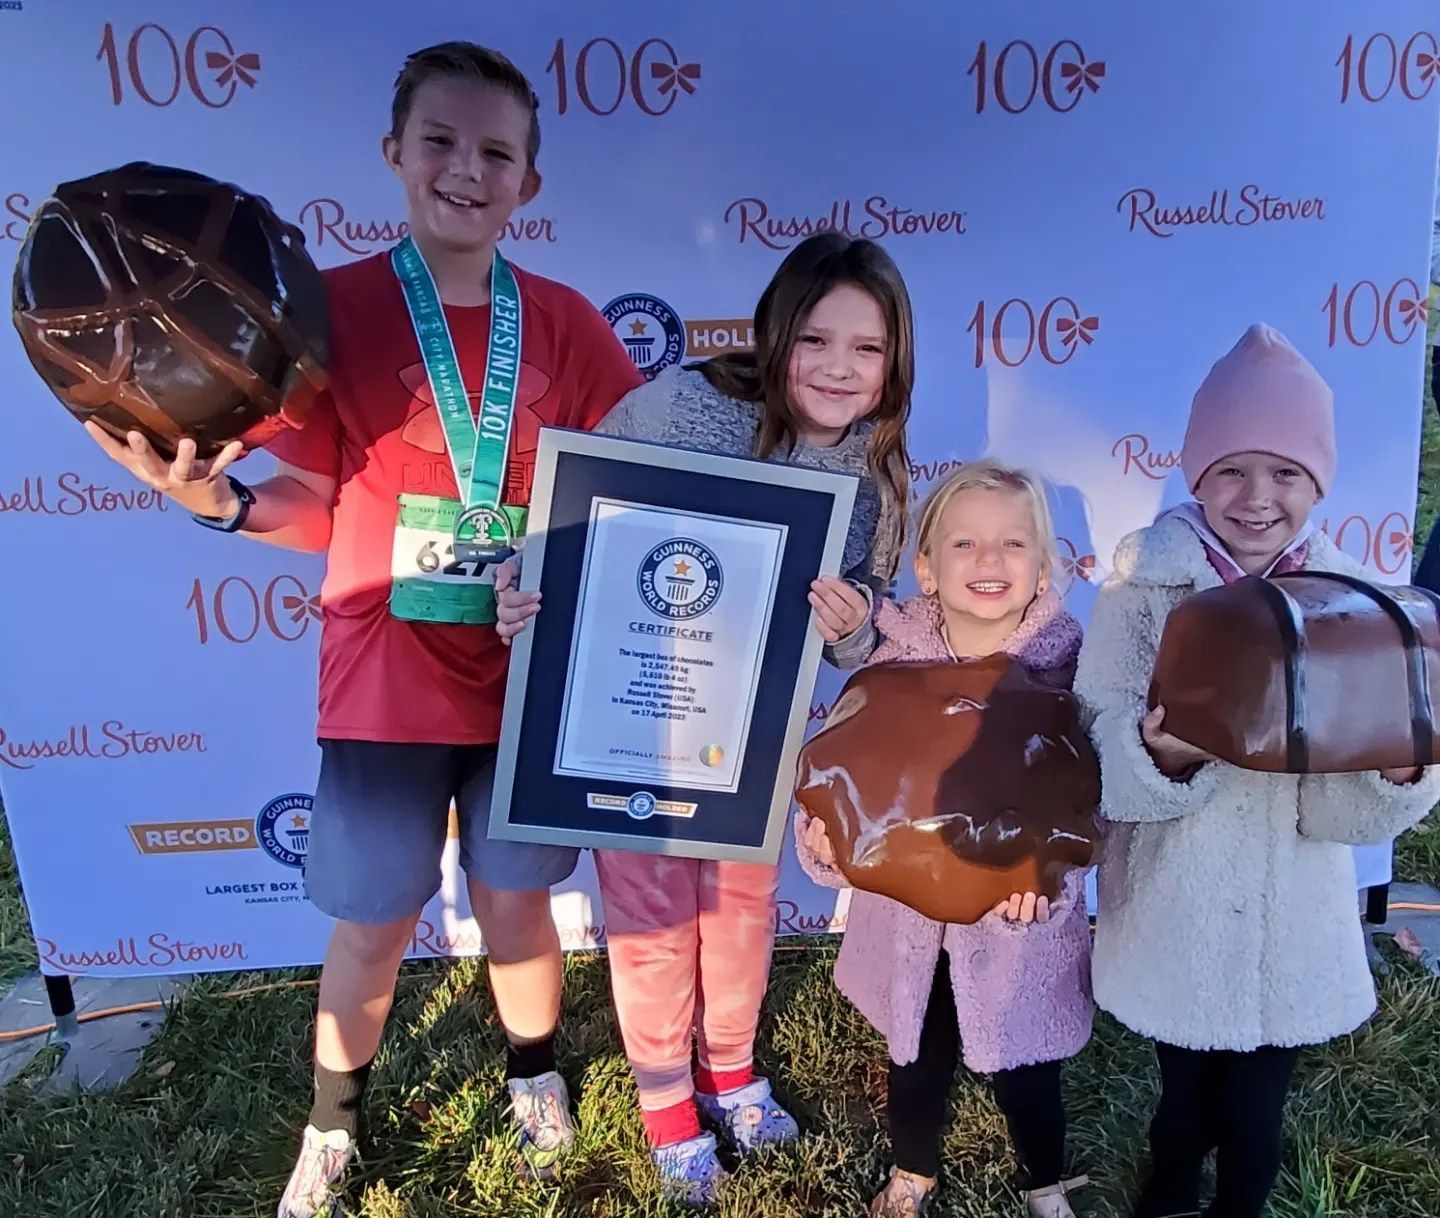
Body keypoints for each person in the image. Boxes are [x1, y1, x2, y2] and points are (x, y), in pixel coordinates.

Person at [84, 41, 643, 1217]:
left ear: (528, 184)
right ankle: (332, 1125)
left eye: (496, 152)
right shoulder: (329, 311)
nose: (465, 169)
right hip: (385, 677)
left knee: (513, 901)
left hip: (528, 681)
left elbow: (620, 494)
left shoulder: (571, 325)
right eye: (439, 141)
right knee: (376, 917)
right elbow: (316, 504)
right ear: (393, 155)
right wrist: (223, 503)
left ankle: (533, 1076)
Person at [496, 232, 914, 1202]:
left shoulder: (880, 470)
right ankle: (665, 1103)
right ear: (776, 334)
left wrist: (853, 634)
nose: (839, 368)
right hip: (631, 721)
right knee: (647, 914)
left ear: (895, 361)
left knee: (738, 911)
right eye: (815, 340)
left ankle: (731, 1069)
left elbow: (870, 621)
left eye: (867, 348)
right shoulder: (683, 405)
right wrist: (524, 586)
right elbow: (571, 518)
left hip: (750, 740)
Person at [1074, 324, 1440, 1218]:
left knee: (1256, 1117)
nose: (1257, 498)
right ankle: (1165, 1190)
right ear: (1197, 475)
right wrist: (1156, 755)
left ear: (1319, 482)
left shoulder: (1356, 607)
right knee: (1186, 1098)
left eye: (1286, 474)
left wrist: (1392, 775)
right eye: (1232, 470)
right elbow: (1097, 727)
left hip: (1293, 921)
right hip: (1176, 907)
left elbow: (1355, 809)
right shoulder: (1141, 593)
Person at [796, 460, 1094, 1218]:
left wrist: (1051, 886)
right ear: (926, 569)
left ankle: (1044, 1180)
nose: (989, 562)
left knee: (1027, 1067)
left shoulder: (1071, 676)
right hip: (907, 926)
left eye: (1012, 545)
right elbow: (843, 785)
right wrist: (829, 848)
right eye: (964, 545)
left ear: (1045, 566)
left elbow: (1092, 801)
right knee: (916, 1053)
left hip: (1015, 926)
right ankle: (913, 1171)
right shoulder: (889, 668)